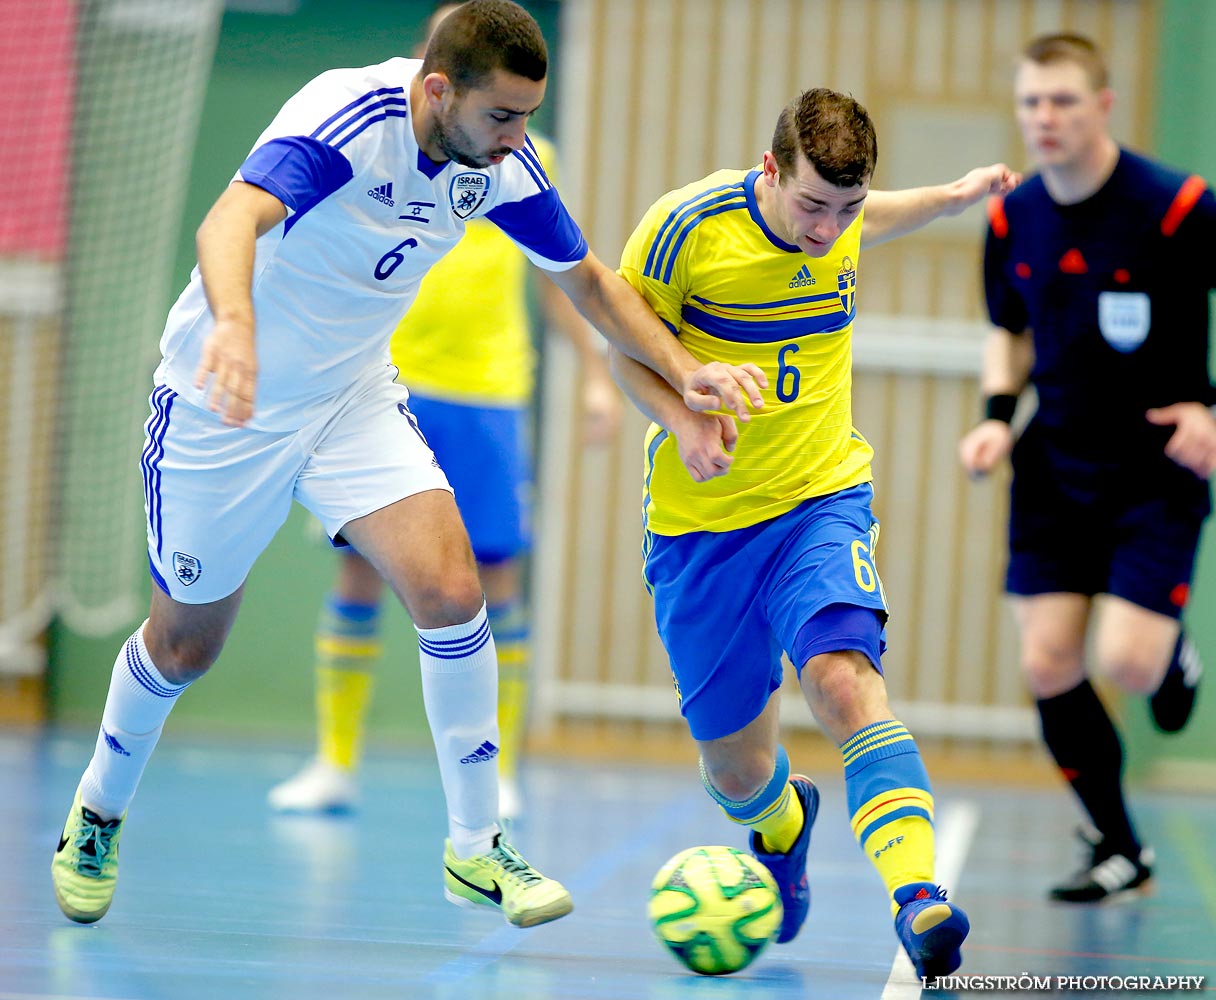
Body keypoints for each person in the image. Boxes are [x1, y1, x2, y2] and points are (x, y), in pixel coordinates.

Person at [50, 0, 764, 931]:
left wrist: (685, 369)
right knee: (186, 644)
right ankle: (99, 809)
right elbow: (228, 222)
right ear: (439, 89)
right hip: (225, 401)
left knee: (454, 589)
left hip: (350, 400)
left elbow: (587, 280)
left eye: (528, 118)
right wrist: (233, 325)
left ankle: (477, 847)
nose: (518, 139)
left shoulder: (500, 165)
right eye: (502, 116)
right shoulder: (347, 117)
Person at [611, 86, 1017, 980]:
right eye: (810, 205)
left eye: (846, 208)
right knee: (737, 774)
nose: (827, 230)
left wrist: (952, 197)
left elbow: (883, 215)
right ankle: (782, 823)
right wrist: (683, 421)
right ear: (770, 169)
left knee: (843, 683)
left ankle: (918, 900)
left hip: (818, 502)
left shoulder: (844, 220)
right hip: (702, 532)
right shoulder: (687, 228)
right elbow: (624, 349)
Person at [267, 3, 621, 821]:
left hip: (490, 393)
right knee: (359, 567)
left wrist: (599, 376)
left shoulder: (524, 158)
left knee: (497, 579)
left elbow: (557, 273)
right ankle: (334, 761)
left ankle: (497, 770)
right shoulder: (378, 139)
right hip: (389, 383)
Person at [959, 32, 1215, 904]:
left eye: (1063, 100)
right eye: (1032, 101)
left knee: (1131, 664)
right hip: (1054, 465)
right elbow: (1010, 329)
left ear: (1101, 105)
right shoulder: (1009, 218)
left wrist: (1210, 409)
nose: (1045, 117)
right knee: (1048, 662)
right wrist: (996, 420)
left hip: (1157, 467)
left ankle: (1172, 654)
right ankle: (1118, 843)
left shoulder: (1177, 207)